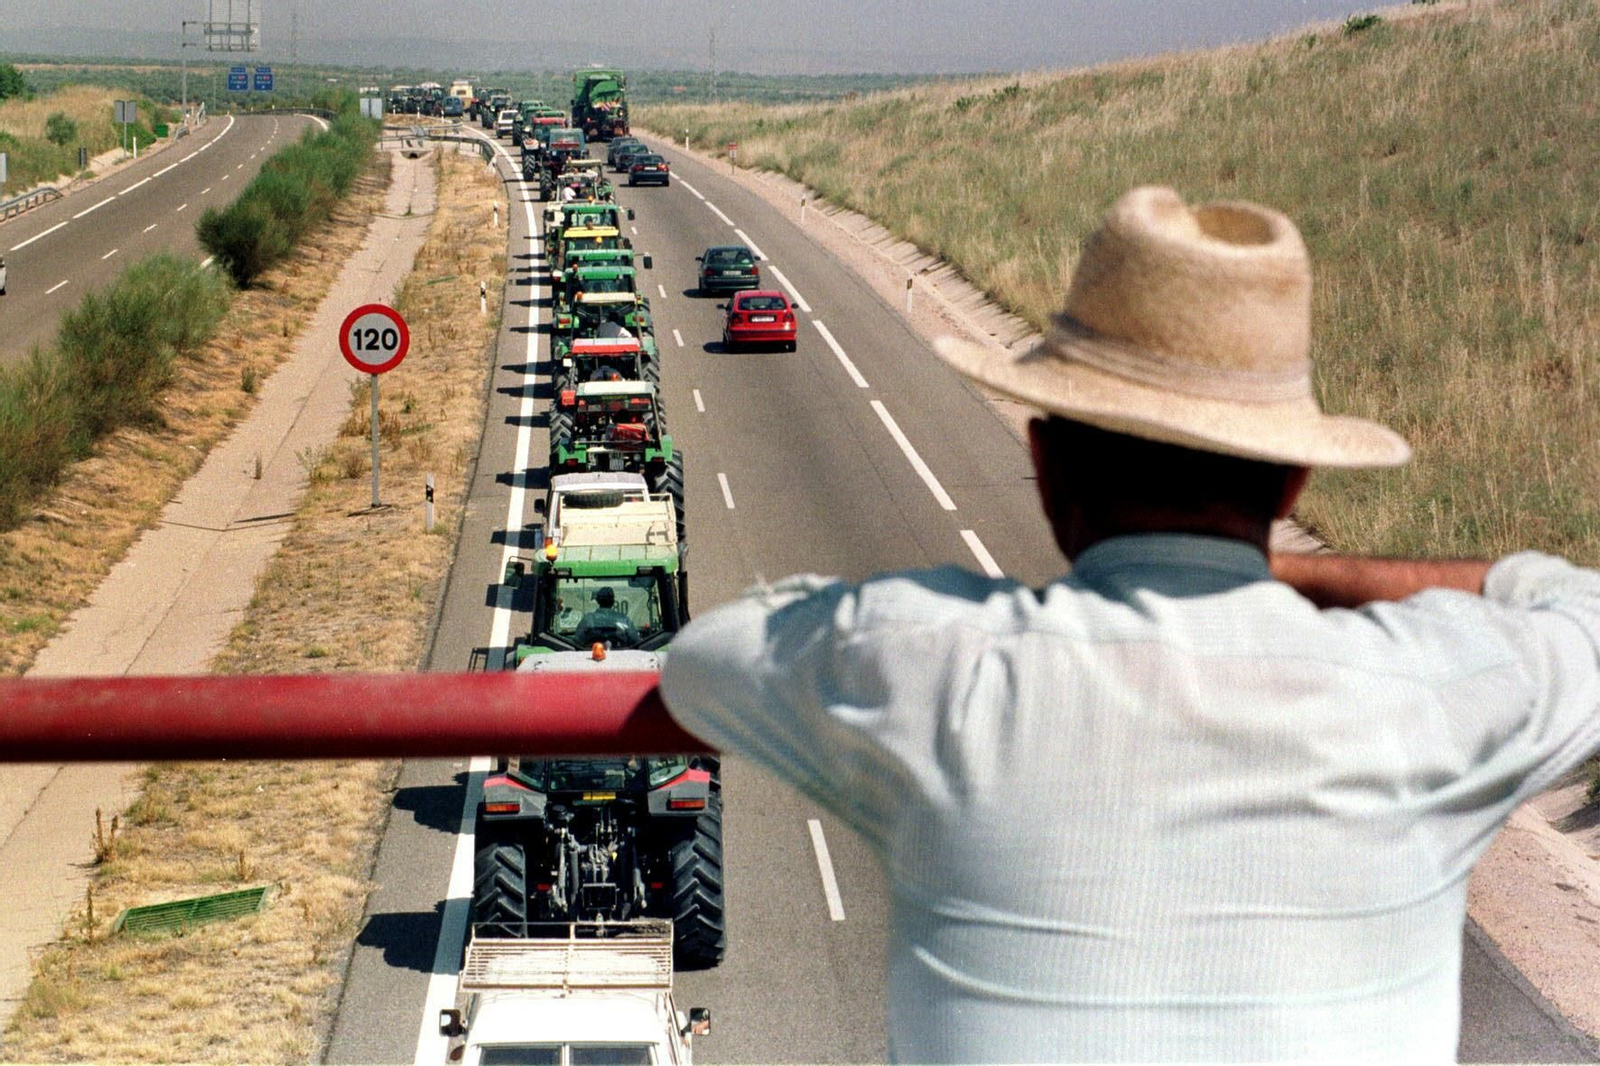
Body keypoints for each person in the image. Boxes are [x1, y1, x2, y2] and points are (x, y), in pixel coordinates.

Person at [660, 186, 1600, 1062]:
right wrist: (1278, 576)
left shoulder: (924, 663)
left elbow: (708, 656)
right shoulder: (1431, 689)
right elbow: (1576, 605)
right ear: (1293, 482)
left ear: (1045, 460)